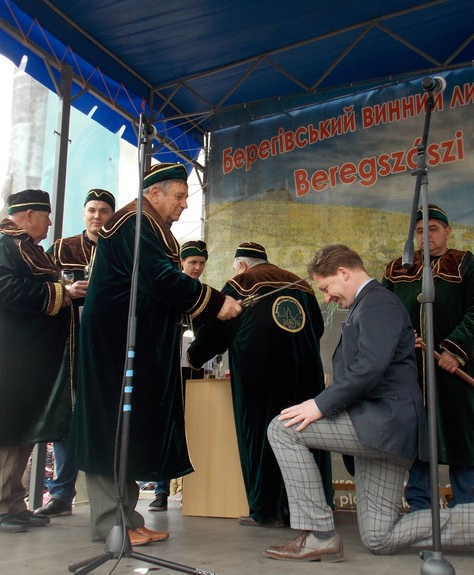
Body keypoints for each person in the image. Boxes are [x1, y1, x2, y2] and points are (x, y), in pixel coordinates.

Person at [264, 244, 474, 562]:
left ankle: (319, 534)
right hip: (384, 433)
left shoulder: (376, 303)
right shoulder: (372, 304)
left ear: (343, 272)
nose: (326, 297)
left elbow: (370, 367)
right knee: (380, 538)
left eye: (325, 288)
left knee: (283, 429)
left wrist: (319, 405)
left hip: (382, 422)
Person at [69, 163, 242, 545]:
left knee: (126, 430)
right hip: (113, 346)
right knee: (109, 429)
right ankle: (108, 523)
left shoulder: (147, 225)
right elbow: (160, 280)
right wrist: (215, 302)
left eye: (185, 198)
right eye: (178, 196)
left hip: (128, 344)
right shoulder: (133, 222)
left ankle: (127, 518)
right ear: (154, 192)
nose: (182, 205)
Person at [188, 242, 333, 527]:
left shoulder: (241, 283)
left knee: (263, 436)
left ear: (241, 265)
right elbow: (318, 328)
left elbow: (219, 327)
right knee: (305, 437)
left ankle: (267, 511)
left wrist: (195, 356)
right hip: (305, 373)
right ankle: (310, 511)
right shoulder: (301, 285)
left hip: (261, 374)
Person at [0, 188, 73, 533]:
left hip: (25, 360)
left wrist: (69, 296)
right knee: (1, 431)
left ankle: (12, 502)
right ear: (28, 215)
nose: (49, 223)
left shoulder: (27, 250)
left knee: (22, 429)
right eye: (46, 215)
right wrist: (61, 293)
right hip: (4, 358)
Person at [382, 204, 474, 510]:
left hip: (453, 367)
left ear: (446, 231)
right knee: (419, 434)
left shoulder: (467, 264)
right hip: (411, 369)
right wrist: (401, 340)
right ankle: (420, 506)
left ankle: (465, 507)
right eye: (419, 231)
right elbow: (382, 312)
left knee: (459, 433)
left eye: (432, 229)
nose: (426, 235)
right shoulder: (397, 269)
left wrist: (455, 350)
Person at [34, 188, 116, 519]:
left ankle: (110, 502)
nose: (97, 216)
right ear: (84, 213)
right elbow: (41, 287)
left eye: (104, 211)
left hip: (108, 345)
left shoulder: (121, 249)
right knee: (66, 417)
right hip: (68, 342)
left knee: (106, 418)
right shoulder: (62, 247)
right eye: (92, 210)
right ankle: (61, 494)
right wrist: (66, 292)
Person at [147, 239, 211, 512]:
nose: (196, 268)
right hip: (166, 371)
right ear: (181, 263)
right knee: (164, 427)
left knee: (194, 428)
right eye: (192, 263)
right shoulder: (170, 290)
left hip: (196, 374)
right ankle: (161, 490)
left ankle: (196, 491)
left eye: (201, 264)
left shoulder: (204, 293)